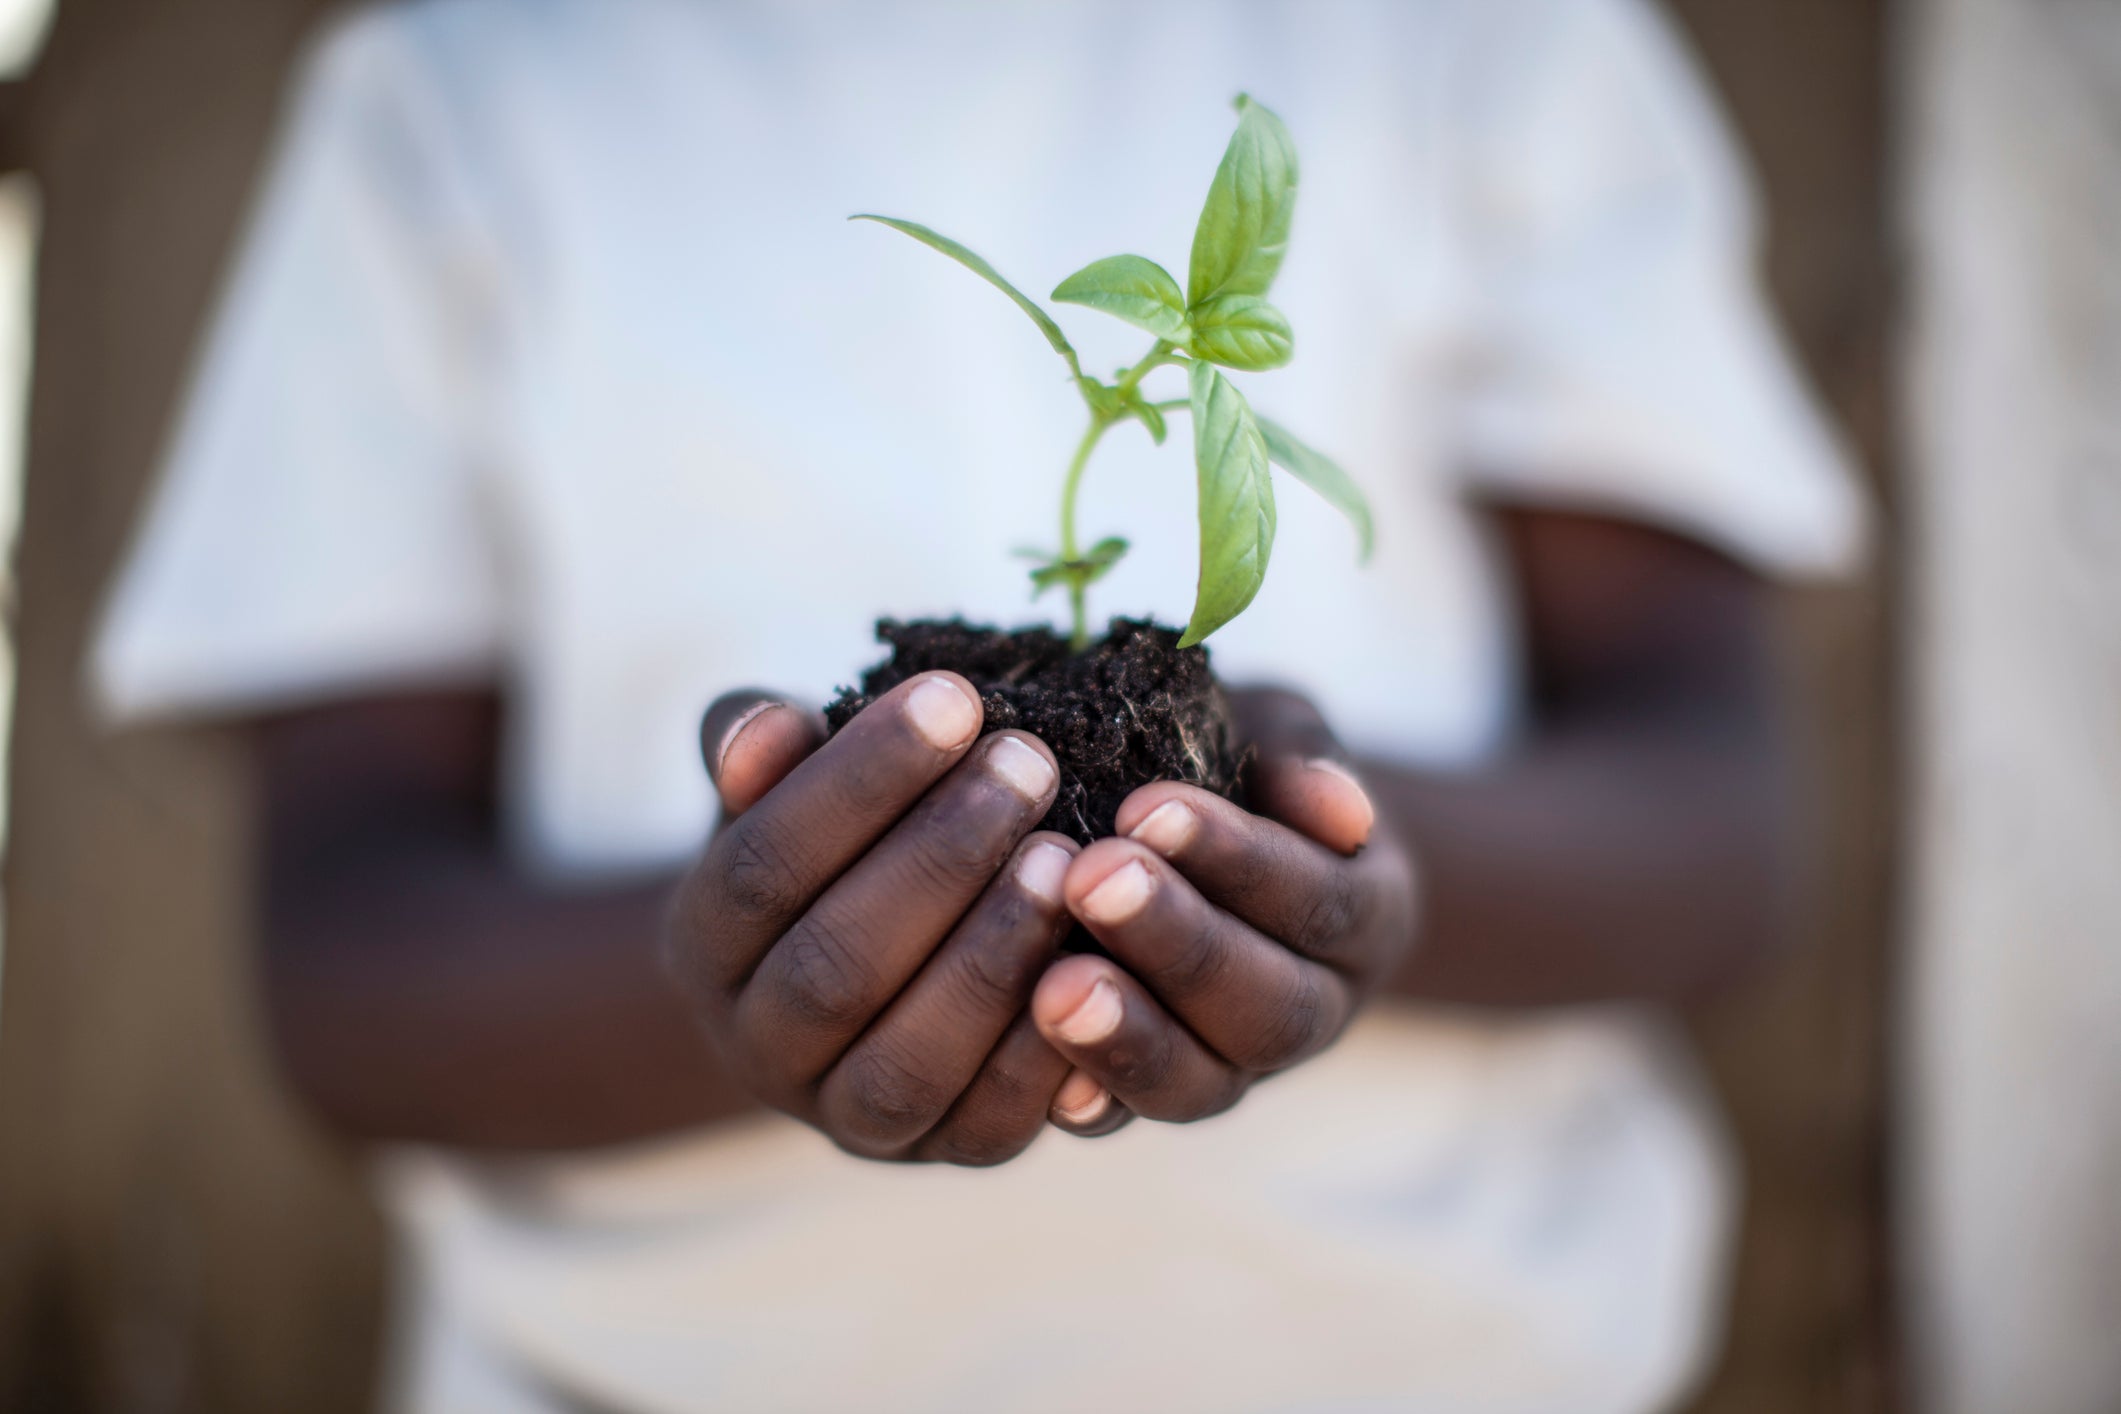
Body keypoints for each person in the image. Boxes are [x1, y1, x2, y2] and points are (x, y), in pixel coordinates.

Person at [91, 1, 1864, 1409]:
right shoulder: (454, 85)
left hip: (1454, 1361)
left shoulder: (1484, 33)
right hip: (641, 1376)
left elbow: (1714, 826)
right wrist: (734, 962)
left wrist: (1329, 865)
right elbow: (346, 967)